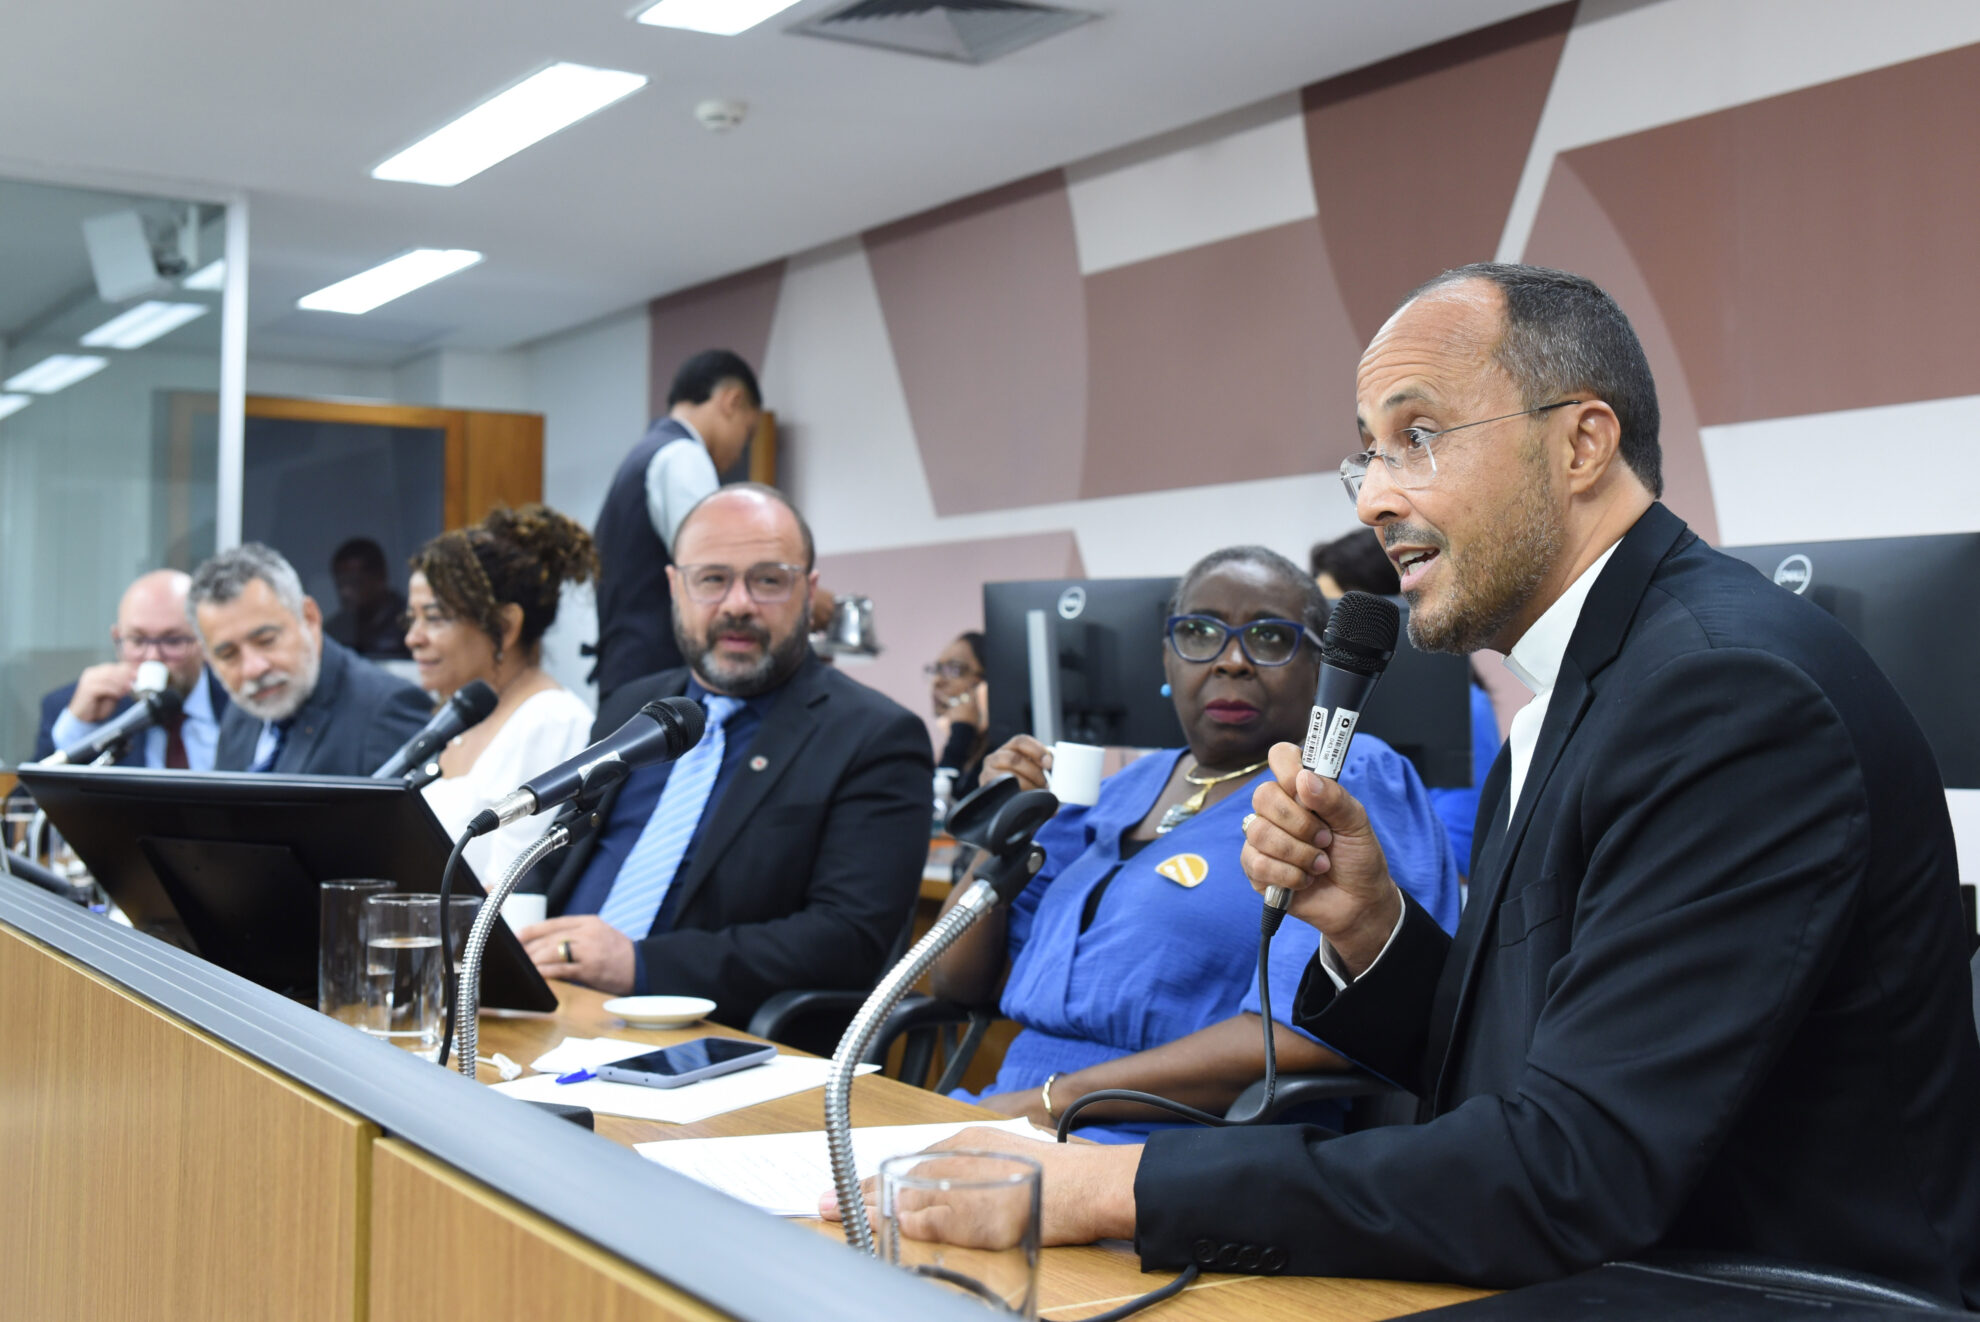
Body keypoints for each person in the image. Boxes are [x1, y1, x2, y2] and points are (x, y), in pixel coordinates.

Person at [829, 264, 1980, 1308]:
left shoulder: (1724, 694)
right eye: (1368, 453)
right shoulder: (1586, 692)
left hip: (1754, 1286)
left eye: (1417, 437)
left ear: (1582, 444)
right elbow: (1526, 1066)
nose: (1373, 497)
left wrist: (1105, 1184)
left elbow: (1573, 1165)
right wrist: (1373, 931)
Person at [927, 547, 1459, 1142]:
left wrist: (1057, 1099)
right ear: (1167, 657)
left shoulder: (1339, 781)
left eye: (1269, 637)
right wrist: (999, 834)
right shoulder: (1119, 790)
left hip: (1171, 1141)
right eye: (1200, 633)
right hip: (1007, 1112)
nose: (1231, 661)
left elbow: (1315, 1033)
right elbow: (956, 982)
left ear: (1318, 664)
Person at [520, 484, 932, 1030]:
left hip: (713, 1038)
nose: (738, 604)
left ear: (808, 592)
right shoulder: (631, 707)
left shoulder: (874, 737)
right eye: (712, 579)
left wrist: (639, 965)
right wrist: (501, 919)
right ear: (676, 587)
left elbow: (849, 939)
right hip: (551, 1006)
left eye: (768, 580)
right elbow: (556, 858)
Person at [404, 505, 599, 885]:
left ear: (506, 626)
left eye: (435, 617)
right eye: (412, 618)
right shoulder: (457, 714)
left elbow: (513, 889)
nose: (413, 637)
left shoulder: (552, 721)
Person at [1312, 527, 1501, 872]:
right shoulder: (1312, 705)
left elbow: (1462, 851)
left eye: (1340, 612)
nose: (1332, 631)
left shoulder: (1466, 708)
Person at [590, 349, 763, 702]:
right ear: (732, 401)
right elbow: (715, 564)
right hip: (659, 678)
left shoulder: (643, 454)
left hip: (625, 671)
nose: (740, 451)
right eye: (747, 432)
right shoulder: (684, 456)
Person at [192, 543, 432, 777]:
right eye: (228, 655)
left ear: (309, 617)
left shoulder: (386, 709)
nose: (253, 669)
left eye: (266, 640)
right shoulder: (240, 714)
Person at [33, 569, 229, 769]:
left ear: (205, 641)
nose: (152, 656)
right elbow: (30, 789)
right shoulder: (78, 708)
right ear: (117, 639)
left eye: (172, 641)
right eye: (138, 640)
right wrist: (78, 728)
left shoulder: (239, 703)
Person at [323, 537, 411, 659]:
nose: (345, 592)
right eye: (340, 584)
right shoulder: (337, 628)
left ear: (379, 577)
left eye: (354, 582)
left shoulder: (408, 620)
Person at [927, 631, 989, 800]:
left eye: (954, 670)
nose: (937, 681)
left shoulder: (999, 758)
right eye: (938, 669)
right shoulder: (966, 751)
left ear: (983, 686)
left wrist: (962, 730)